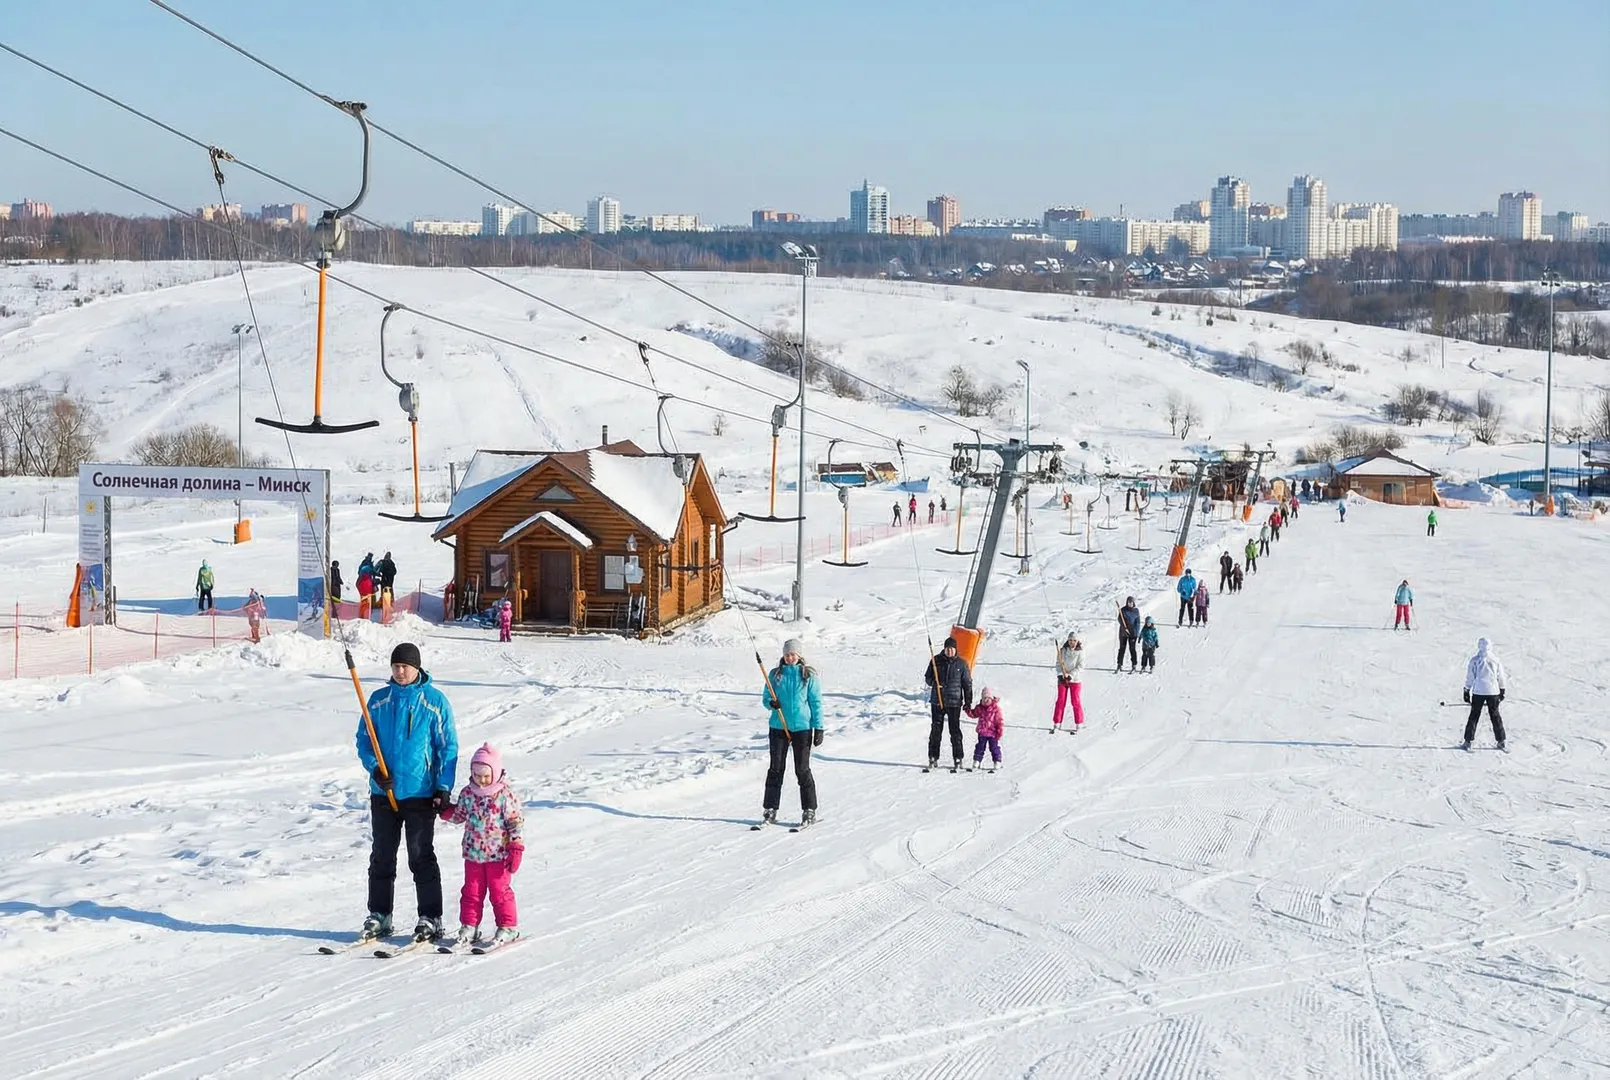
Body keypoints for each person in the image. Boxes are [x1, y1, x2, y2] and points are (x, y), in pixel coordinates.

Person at [356, 642, 459, 942]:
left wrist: (443, 786)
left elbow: (447, 747)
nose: (400, 671)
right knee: (382, 856)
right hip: (383, 793)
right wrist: (375, 768)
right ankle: (380, 914)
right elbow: (364, 740)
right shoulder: (377, 701)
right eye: (396, 666)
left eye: (406, 666)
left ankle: (431, 917)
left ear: (417, 668)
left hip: (420, 792)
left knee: (420, 856)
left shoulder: (434, 702)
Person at [438, 743, 524, 948]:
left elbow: (515, 822)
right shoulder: (468, 793)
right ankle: (469, 926)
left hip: (498, 855)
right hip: (473, 853)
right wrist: (443, 810)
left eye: (486, 776)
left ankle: (508, 926)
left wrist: (516, 847)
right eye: (477, 775)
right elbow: (460, 815)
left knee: (499, 892)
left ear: (495, 772)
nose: (482, 780)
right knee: (471, 892)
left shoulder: (505, 795)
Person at [761, 639, 823, 826]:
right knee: (776, 769)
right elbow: (766, 698)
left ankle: (809, 810)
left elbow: (816, 703)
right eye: (787, 654)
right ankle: (770, 809)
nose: (789, 658)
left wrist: (818, 727)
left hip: (802, 728)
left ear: (799, 656)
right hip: (778, 726)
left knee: (802, 770)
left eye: (793, 654)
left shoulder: (808, 675)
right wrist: (772, 704)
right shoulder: (775, 674)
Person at [924, 636, 973, 771]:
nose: (949, 651)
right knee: (936, 730)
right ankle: (933, 756)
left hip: (954, 702)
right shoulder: (936, 661)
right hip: (937, 701)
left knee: (955, 730)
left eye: (951, 649)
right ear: (944, 649)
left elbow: (967, 684)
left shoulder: (962, 664)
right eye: (947, 649)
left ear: (955, 649)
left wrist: (968, 702)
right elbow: (928, 678)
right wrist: (934, 682)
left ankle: (958, 757)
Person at [1462, 638, 1508, 751]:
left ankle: (1468, 741)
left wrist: (1466, 690)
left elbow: (1470, 677)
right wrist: (1502, 689)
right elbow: (1501, 676)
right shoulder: (1495, 660)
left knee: (1474, 715)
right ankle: (1501, 741)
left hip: (1478, 691)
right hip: (1493, 692)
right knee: (1495, 716)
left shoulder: (1474, 660)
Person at [966, 688, 1005, 770]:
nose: (986, 700)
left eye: (988, 698)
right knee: (980, 747)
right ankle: (977, 761)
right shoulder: (980, 708)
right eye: (984, 698)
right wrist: (968, 710)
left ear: (991, 699)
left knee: (994, 747)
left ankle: (997, 761)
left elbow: (999, 721)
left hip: (992, 733)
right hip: (982, 732)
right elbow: (973, 714)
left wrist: (999, 731)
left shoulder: (995, 709)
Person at [1053, 632, 1085, 732]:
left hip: (1075, 680)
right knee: (1060, 701)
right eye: (1070, 640)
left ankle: (1079, 723)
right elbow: (1058, 663)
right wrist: (1060, 674)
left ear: (1077, 641)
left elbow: (1080, 666)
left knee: (1075, 701)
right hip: (1063, 679)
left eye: (1074, 640)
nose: (1072, 642)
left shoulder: (1080, 652)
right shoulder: (1062, 651)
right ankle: (1057, 723)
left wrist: (1071, 675)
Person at [1117, 597, 1141, 672]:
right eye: (1129, 602)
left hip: (1133, 633)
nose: (1130, 604)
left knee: (1132, 649)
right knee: (1122, 648)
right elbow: (1120, 620)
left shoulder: (1136, 611)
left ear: (1133, 603)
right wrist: (1125, 628)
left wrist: (1136, 633)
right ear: (1127, 602)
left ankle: (1134, 665)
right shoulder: (1123, 610)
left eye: (1131, 602)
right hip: (1123, 633)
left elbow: (1138, 623)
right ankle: (1119, 664)